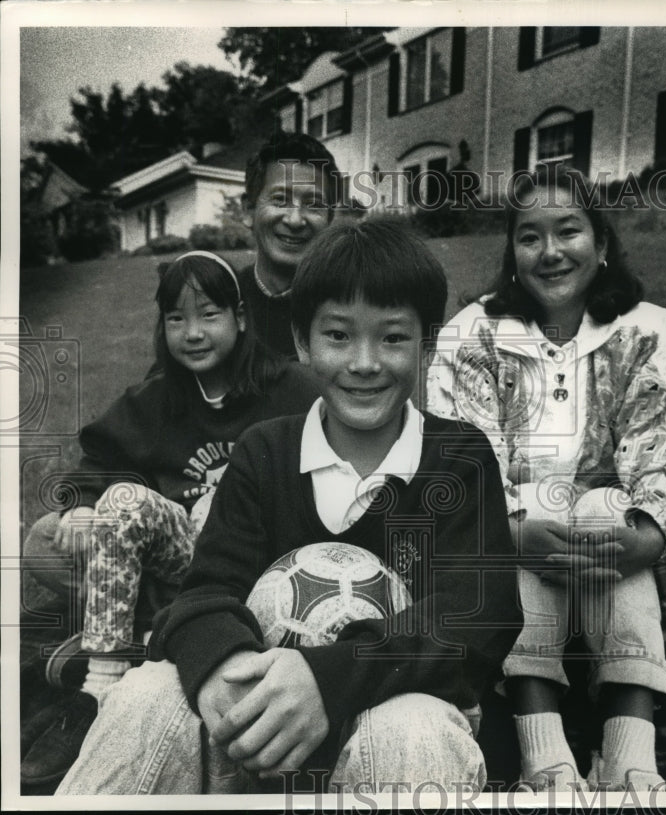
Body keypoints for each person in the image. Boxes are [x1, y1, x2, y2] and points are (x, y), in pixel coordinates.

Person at [56, 220, 523, 795]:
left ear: (427, 346)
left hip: (399, 716)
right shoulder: (266, 451)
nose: (365, 362)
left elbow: (479, 617)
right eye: (338, 336)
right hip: (259, 728)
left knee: (413, 729)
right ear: (302, 342)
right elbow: (204, 594)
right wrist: (220, 674)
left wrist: (326, 681)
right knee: (149, 695)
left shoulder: (459, 459)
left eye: (394, 338)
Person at [424, 166, 666, 792]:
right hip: (519, 532)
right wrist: (514, 531)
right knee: (520, 521)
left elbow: (661, 449)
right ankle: (545, 754)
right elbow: (466, 460)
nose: (550, 252)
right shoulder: (475, 333)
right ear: (511, 253)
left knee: (605, 507)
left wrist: (646, 540)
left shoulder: (646, 329)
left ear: (601, 244)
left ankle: (629, 754)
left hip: (608, 530)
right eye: (529, 236)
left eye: (568, 231)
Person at [21, 251, 319, 785]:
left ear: (241, 317)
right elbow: (99, 459)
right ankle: (104, 683)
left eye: (208, 315)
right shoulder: (158, 396)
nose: (193, 332)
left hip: (257, 559)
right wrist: (85, 503)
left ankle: (142, 628)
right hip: (182, 554)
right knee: (51, 537)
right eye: (176, 319)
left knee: (170, 502)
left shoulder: (288, 387)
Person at [240, 131, 341, 358]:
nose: (295, 220)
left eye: (314, 204)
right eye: (279, 200)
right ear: (248, 211)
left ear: (329, 218)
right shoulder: (220, 300)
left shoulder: (349, 305)